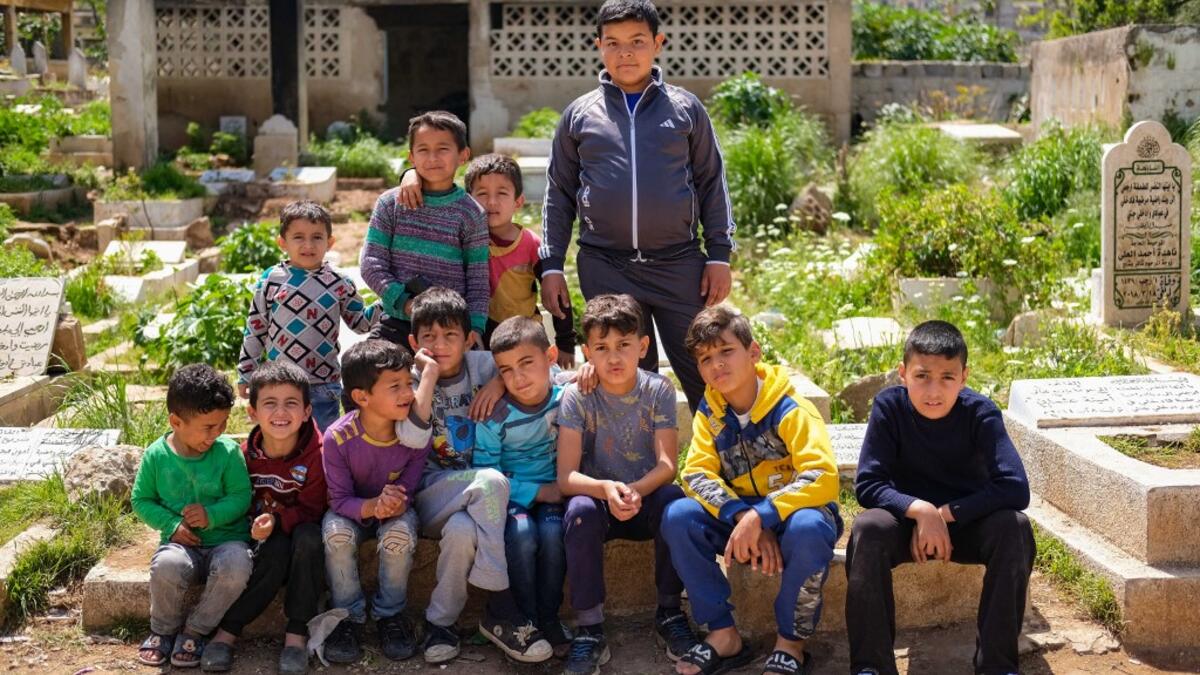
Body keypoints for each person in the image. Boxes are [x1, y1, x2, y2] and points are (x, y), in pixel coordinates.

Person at [539, 0, 736, 412]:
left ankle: (720, 464)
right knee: (626, 377)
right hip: (606, 265)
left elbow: (711, 181)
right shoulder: (579, 115)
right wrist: (552, 264)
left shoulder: (685, 110)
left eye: (636, 42)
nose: (625, 53)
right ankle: (643, 469)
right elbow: (559, 192)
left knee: (705, 369)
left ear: (658, 44)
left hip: (679, 264)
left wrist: (719, 254)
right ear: (598, 46)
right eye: (613, 43)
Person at [847, 320, 1035, 675]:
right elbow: (868, 483)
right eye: (922, 376)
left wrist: (943, 514)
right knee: (867, 528)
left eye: (947, 377)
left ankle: (997, 665)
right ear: (902, 373)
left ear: (964, 377)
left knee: (1015, 527)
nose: (934, 391)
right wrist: (919, 511)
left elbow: (1015, 487)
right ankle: (871, 666)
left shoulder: (981, 413)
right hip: (904, 524)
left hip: (966, 525)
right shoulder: (888, 407)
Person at [664, 306, 841, 675]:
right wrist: (744, 516)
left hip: (796, 515)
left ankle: (791, 644)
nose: (717, 365)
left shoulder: (791, 409)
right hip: (740, 516)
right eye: (706, 358)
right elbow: (695, 473)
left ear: (754, 352)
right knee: (678, 516)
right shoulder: (710, 415)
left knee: (810, 528)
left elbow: (822, 476)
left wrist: (765, 514)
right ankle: (723, 633)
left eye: (726, 351)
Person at [406, 287, 552, 664]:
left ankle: (440, 623)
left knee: (462, 531)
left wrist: (500, 381)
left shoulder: (486, 364)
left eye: (450, 335)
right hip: (430, 492)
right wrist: (429, 376)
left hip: (479, 505)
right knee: (491, 480)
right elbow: (410, 436)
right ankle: (502, 606)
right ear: (414, 342)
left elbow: (531, 369)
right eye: (429, 338)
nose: (440, 345)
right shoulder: (406, 379)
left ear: (470, 338)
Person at [557, 294, 697, 675]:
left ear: (643, 346)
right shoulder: (577, 396)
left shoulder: (658, 390)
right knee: (579, 512)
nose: (613, 358)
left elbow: (668, 465)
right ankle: (589, 628)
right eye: (601, 348)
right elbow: (567, 476)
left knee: (676, 503)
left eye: (623, 345)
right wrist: (606, 489)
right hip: (599, 500)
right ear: (587, 352)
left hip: (645, 494)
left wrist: (635, 489)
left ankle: (670, 611)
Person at [203, 361, 328, 674]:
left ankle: (296, 634)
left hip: (304, 541)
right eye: (270, 404)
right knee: (275, 548)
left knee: (308, 537)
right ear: (253, 413)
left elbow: (314, 508)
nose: (280, 413)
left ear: (307, 411)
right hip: (263, 543)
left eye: (291, 403)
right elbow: (238, 501)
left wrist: (278, 519)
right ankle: (229, 630)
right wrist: (258, 525)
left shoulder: (319, 453)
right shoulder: (243, 455)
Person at [320, 340, 438, 663]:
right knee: (337, 535)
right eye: (395, 386)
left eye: (409, 383)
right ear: (362, 397)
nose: (408, 393)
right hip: (351, 511)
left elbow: (408, 488)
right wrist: (372, 506)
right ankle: (348, 617)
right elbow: (340, 500)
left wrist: (394, 503)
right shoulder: (338, 438)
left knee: (399, 536)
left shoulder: (414, 435)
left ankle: (391, 614)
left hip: (395, 510)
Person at [131, 364, 252, 669]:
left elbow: (241, 497)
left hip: (227, 541)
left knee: (237, 566)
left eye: (223, 424)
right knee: (167, 566)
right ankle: (163, 628)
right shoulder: (156, 456)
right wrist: (171, 525)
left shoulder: (227, 452)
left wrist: (211, 515)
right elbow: (141, 500)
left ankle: (196, 629)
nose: (218, 433)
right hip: (180, 546)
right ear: (176, 421)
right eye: (209, 427)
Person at [474, 316, 572, 658]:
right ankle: (524, 620)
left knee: (551, 534)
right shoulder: (494, 414)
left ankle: (549, 616)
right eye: (505, 370)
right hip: (514, 495)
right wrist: (537, 492)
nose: (518, 378)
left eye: (526, 363)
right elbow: (485, 474)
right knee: (522, 534)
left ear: (551, 357)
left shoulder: (567, 400)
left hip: (556, 494)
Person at [237, 200, 376, 430]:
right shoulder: (271, 280)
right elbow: (255, 328)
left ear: (330, 243)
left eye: (317, 237)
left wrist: (389, 303)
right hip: (279, 385)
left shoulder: (339, 283)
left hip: (323, 386)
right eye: (299, 237)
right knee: (281, 443)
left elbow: (360, 323)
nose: (308, 245)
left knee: (321, 448)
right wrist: (245, 373)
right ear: (282, 242)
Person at [360, 111, 489, 347]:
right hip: (398, 321)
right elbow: (371, 263)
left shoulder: (471, 213)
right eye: (423, 150)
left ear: (463, 155)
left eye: (443, 149)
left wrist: (476, 328)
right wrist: (406, 303)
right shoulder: (390, 203)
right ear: (411, 157)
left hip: (450, 330)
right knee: (369, 371)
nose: (432, 158)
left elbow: (477, 279)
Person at [464, 153, 576, 366]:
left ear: (518, 201)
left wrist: (565, 343)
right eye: (482, 193)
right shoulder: (466, 241)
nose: (492, 202)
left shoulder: (531, 245)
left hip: (525, 333)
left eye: (502, 193)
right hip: (481, 333)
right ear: (468, 199)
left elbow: (557, 294)